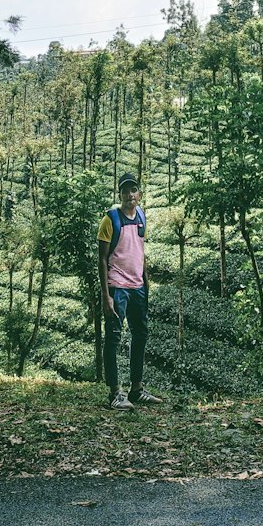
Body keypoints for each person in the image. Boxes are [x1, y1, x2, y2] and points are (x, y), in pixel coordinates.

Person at [97, 173, 163, 409]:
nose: (129, 195)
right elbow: (102, 260)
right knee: (113, 338)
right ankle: (115, 393)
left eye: (133, 190)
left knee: (140, 335)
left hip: (137, 287)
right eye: (125, 191)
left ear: (139, 194)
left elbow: (140, 250)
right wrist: (106, 296)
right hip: (117, 287)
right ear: (120, 195)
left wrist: (146, 280)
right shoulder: (110, 220)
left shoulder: (142, 217)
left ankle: (136, 389)